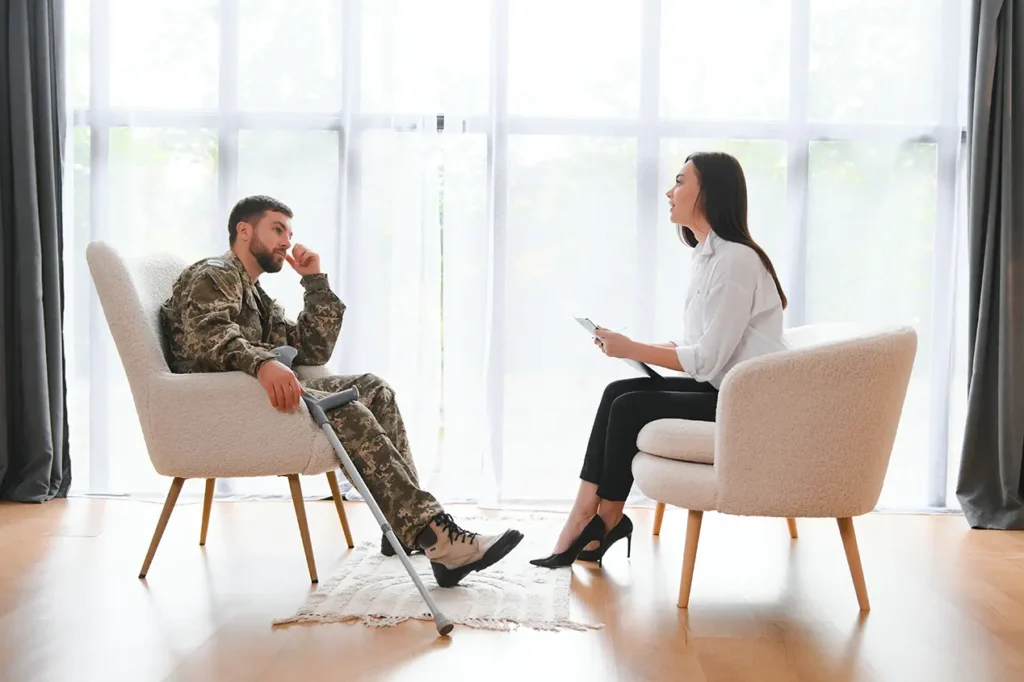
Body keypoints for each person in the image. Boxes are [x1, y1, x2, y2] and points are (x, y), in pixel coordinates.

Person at [160, 195, 523, 588]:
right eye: (277, 229)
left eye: (289, 232)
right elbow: (209, 336)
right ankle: (437, 538)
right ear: (244, 231)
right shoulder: (215, 274)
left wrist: (314, 283)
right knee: (347, 407)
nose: (286, 241)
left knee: (374, 389)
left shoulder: (257, 294)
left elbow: (312, 348)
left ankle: (407, 528)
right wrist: (263, 363)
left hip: (251, 393)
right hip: (224, 403)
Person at [530, 152, 788, 568]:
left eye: (680, 181)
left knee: (631, 404)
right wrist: (630, 347)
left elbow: (704, 360)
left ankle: (602, 521)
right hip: (723, 387)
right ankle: (590, 518)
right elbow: (698, 347)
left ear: (708, 192)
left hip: (747, 403)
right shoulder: (709, 256)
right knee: (618, 391)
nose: (670, 192)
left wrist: (632, 348)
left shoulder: (736, 261)